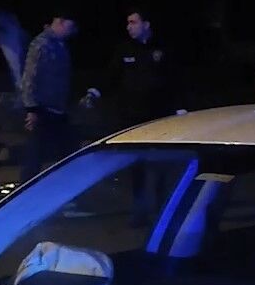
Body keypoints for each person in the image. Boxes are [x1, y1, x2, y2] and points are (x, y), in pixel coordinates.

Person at [85, 9, 180, 131]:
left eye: (133, 23)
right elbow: (112, 74)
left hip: (158, 114)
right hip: (129, 116)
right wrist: (95, 92)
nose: (128, 27)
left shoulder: (162, 47)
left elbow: (175, 79)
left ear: (146, 25)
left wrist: (180, 107)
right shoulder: (125, 49)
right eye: (128, 23)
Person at [19, 14, 78, 180]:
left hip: (58, 108)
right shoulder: (41, 44)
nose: (72, 31)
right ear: (59, 22)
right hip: (43, 109)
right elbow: (29, 77)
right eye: (70, 26)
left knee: (66, 153)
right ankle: (25, 194)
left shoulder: (60, 44)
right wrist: (31, 108)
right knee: (34, 157)